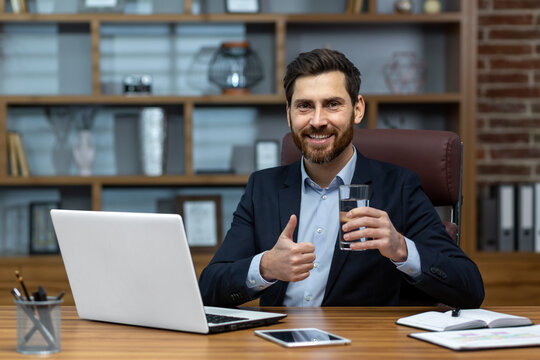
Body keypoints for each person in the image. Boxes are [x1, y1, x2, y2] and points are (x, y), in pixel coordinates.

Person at [199, 48, 484, 308]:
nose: (318, 120)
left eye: (332, 104)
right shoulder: (262, 188)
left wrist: (401, 248)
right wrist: (264, 268)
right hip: (278, 343)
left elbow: (469, 288)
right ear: (288, 114)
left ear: (357, 109)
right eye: (304, 106)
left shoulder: (399, 187)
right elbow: (210, 288)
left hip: (358, 344)